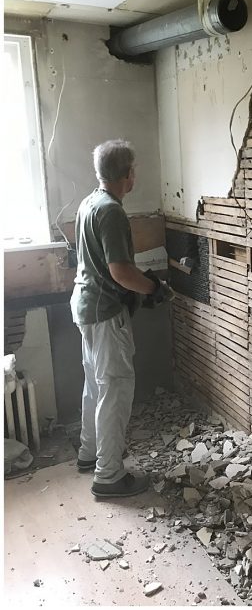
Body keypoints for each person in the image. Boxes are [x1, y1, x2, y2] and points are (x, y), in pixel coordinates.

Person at [71, 139, 171, 498]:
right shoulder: (111, 211)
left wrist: (141, 282)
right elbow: (120, 273)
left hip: (86, 305)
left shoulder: (90, 201)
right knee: (115, 389)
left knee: (96, 385)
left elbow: (107, 264)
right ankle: (109, 476)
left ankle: (89, 454)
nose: (135, 175)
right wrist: (152, 288)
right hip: (105, 311)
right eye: (135, 169)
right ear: (127, 174)